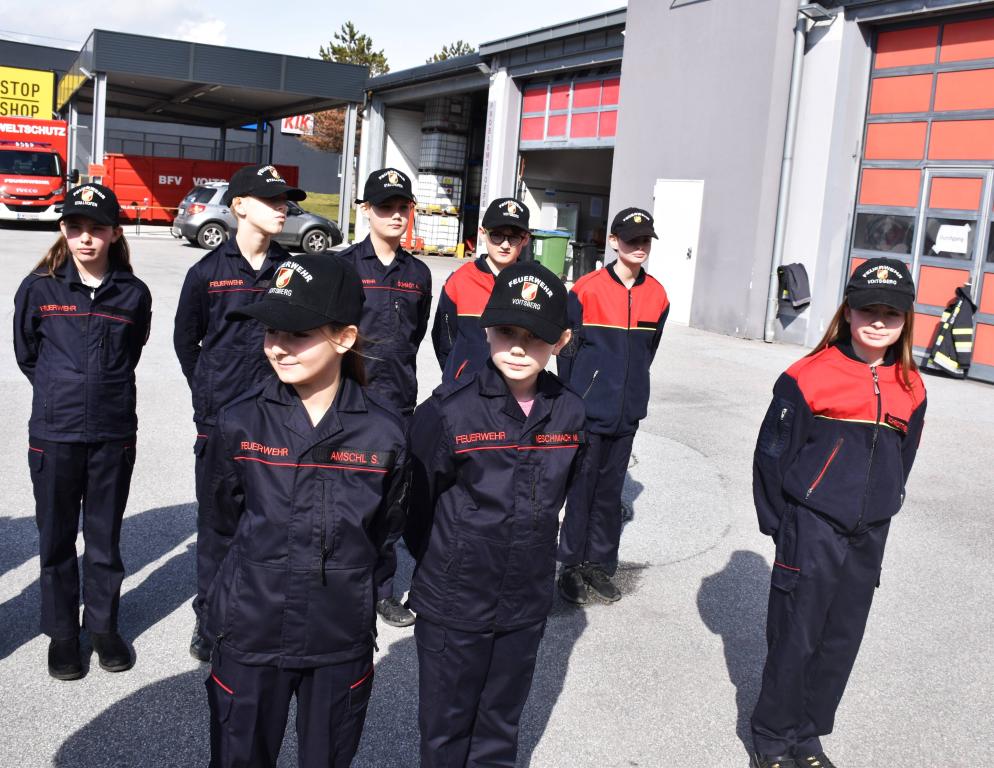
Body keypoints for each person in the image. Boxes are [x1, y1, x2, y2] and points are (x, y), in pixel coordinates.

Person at [203, 254, 408, 768]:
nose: (278, 346)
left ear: (344, 338)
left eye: (297, 333)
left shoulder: (384, 434)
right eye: (271, 330)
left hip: (338, 636)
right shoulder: (239, 422)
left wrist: (357, 594)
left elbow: (384, 533)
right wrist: (217, 612)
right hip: (250, 630)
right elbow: (221, 524)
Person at [749, 257, 927, 768]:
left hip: (868, 534)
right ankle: (773, 739)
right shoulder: (808, 376)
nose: (878, 322)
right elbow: (772, 454)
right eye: (868, 310)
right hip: (811, 527)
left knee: (840, 639)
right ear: (848, 311)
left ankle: (807, 737)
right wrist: (782, 525)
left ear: (905, 320)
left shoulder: (911, 386)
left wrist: (884, 503)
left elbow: (903, 458)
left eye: (891, 314)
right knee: (796, 635)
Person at [407, 261, 585, 767]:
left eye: (535, 337)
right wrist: (451, 558)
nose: (518, 347)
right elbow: (415, 508)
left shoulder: (570, 412)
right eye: (506, 331)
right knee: (446, 726)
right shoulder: (446, 411)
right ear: (486, 330)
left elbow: (566, 490)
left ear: (561, 341)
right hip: (455, 599)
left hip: (524, 599)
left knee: (500, 722)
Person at [13, 183, 152, 680]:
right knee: (55, 538)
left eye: (97, 228)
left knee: (103, 537)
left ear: (115, 232)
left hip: (112, 433)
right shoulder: (39, 288)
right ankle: (62, 635)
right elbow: (28, 353)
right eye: (75, 228)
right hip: (56, 432)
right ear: (63, 230)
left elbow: (131, 352)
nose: (86, 238)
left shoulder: (133, 293)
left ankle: (103, 627)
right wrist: (61, 391)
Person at [173, 163, 305, 661]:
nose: (282, 208)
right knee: (218, 525)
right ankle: (210, 617)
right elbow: (186, 341)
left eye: (284, 200)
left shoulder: (292, 272)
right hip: (220, 421)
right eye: (271, 200)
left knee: (276, 523)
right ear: (240, 206)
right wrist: (209, 391)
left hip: (279, 419)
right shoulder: (207, 272)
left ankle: (263, 615)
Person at [556, 207, 669, 604]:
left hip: (627, 412)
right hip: (589, 411)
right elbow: (566, 348)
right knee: (581, 490)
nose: (639, 246)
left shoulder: (658, 295)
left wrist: (632, 389)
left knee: (609, 493)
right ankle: (570, 566)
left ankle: (599, 565)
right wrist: (576, 396)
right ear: (613, 241)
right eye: (631, 239)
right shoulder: (586, 289)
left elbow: (648, 351)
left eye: (645, 240)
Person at [338, 167, 432, 628]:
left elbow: (418, 334)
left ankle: (382, 590)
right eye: (385, 207)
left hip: (398, 404)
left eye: (402, 207)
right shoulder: (345, 267)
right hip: (351, 402)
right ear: (366, 211)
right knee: (345, 499)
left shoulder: (419, 273)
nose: (395, 215)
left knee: (391, 502)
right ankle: (342, 587)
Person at [431, 197, 531, 384]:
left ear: (525, 239)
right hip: (465, 387)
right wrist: (458, 372)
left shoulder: (533, 284)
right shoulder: (460, 280)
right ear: (482, 233)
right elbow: (443, 339)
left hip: (513, 388)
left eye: (514, 238)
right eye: (497, 235)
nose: (505, 245)